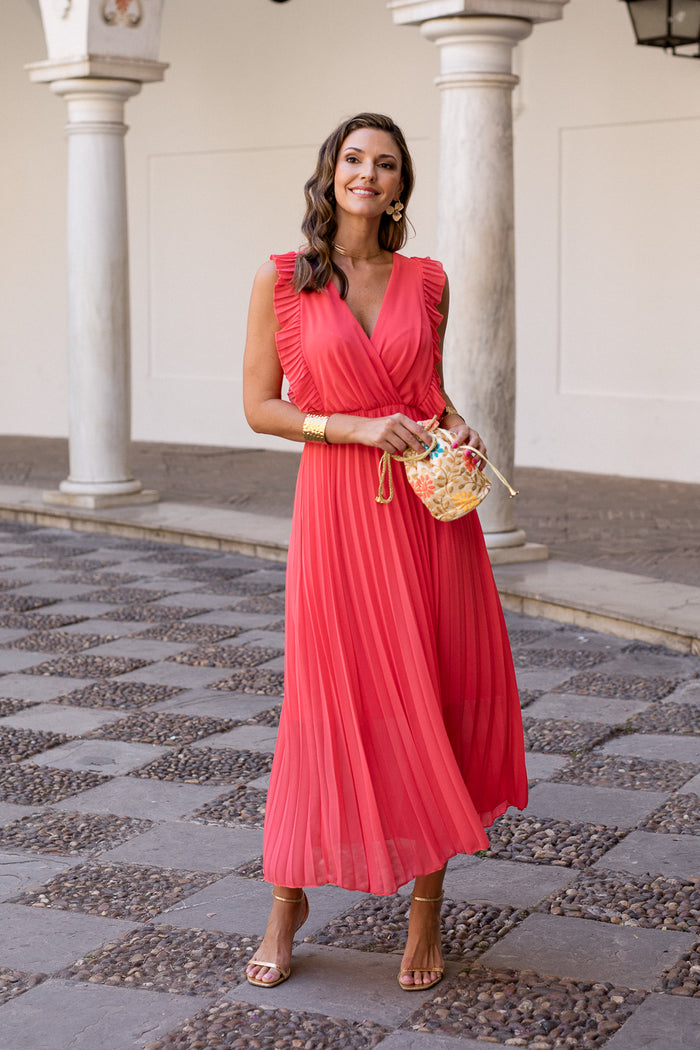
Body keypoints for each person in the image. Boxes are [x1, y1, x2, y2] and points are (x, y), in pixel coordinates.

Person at [242, 112, 527, 992]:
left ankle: (425, 911)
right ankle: (286, 901)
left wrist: (453, 423)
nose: (369, 174)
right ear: (330, 172)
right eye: (355, 159)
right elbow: (260, 406)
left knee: (431, 696)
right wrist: (356, 425)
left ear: (402, 185)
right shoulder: (282, 279)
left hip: (426, 524)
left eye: (388, 164)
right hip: (335, 515)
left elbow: (427, 390)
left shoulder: (428, 279)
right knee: (325, 705)